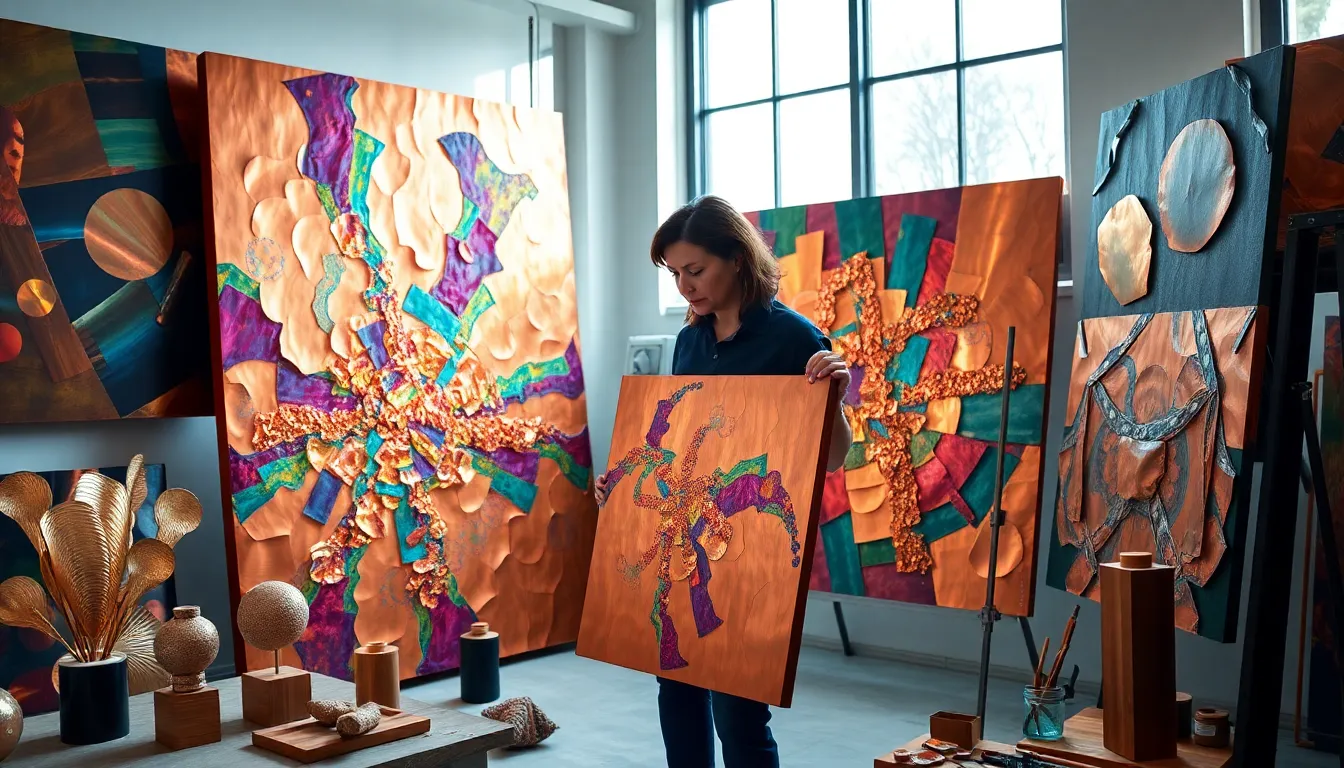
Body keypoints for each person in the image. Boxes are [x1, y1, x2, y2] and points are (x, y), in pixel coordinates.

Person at [593, 195, 853, 767]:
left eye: (696, 270)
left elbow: (833, 457)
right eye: (675, 274)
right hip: (685, 541)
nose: (685, 286)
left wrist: (832, 399)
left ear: (737, 258)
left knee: (739, 712)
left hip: (752, 548)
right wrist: (622, 489)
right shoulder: (690, 341)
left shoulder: (794, 339)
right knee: (677, 689)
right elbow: (679, 443)